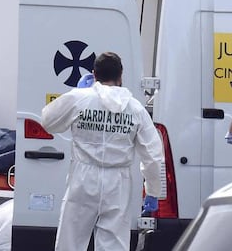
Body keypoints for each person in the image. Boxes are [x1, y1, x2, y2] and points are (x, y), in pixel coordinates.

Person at [41, 52, 163, 251]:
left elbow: (48, 121)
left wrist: (75, 94)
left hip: (83, 178)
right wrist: (152, 191)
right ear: (121, 75)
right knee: (114, 244)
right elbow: (153, 154)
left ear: (93, 74)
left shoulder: (79, 99)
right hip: (118, 182)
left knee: (70, 242)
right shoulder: (135, 109)